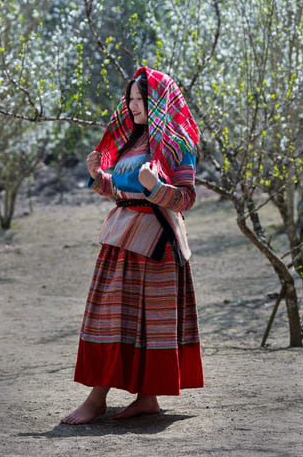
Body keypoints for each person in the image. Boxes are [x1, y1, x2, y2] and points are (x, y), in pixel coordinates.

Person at [61, 67, 204, 425]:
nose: (133, 106)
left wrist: (156, 188)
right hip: (120, 240)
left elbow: (185, 199)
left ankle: (111, 399)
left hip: (158, 247)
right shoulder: (130, 141)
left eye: (141, 99)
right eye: (131, 99)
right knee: (111, 318)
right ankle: (139, 399)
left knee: (140, 322)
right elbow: (121, 192)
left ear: (158, 101)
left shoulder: (178, 144)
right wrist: (100, 178)